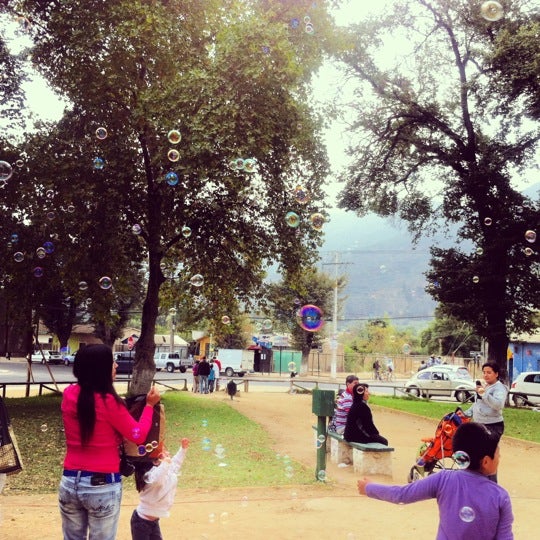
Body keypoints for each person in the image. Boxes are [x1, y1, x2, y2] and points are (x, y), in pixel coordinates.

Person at [59, 344, 161, 540]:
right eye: (111, 362)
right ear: (100, 369)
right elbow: (137, 435)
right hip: (102, 486)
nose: (115, 365)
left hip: (70, 482)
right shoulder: (110, 402)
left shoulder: (69, 394)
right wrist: (149, 406)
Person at [357, 422, 514, 540]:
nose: (499, 458)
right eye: (498, 455)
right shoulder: (500, 496)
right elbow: (505, 537)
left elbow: (401, 494)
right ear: (486, 461)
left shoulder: (444, 479)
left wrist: (369, 487)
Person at [131, 438, 190, 540]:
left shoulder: (165, 469)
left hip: (153, 522)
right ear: (155, 460)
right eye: (163, 451)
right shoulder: (150, 476)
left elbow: (176, 463)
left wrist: (183, 449)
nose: (167, 452)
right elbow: (157, 479)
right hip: (141, 523)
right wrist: (165, 463)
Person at [464, 361, 508, 482]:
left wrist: (484, 394)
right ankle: (480, 482)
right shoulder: (485, 387)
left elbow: (498, 405)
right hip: (479, 425)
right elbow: (477, 404)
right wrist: (466, 413)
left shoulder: (500, 388)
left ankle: (492, 485)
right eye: (484, 372)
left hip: (493, 426)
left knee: (489, 456)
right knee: (478, 455)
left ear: (496, 374)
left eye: (489, 372)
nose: (486, 375)